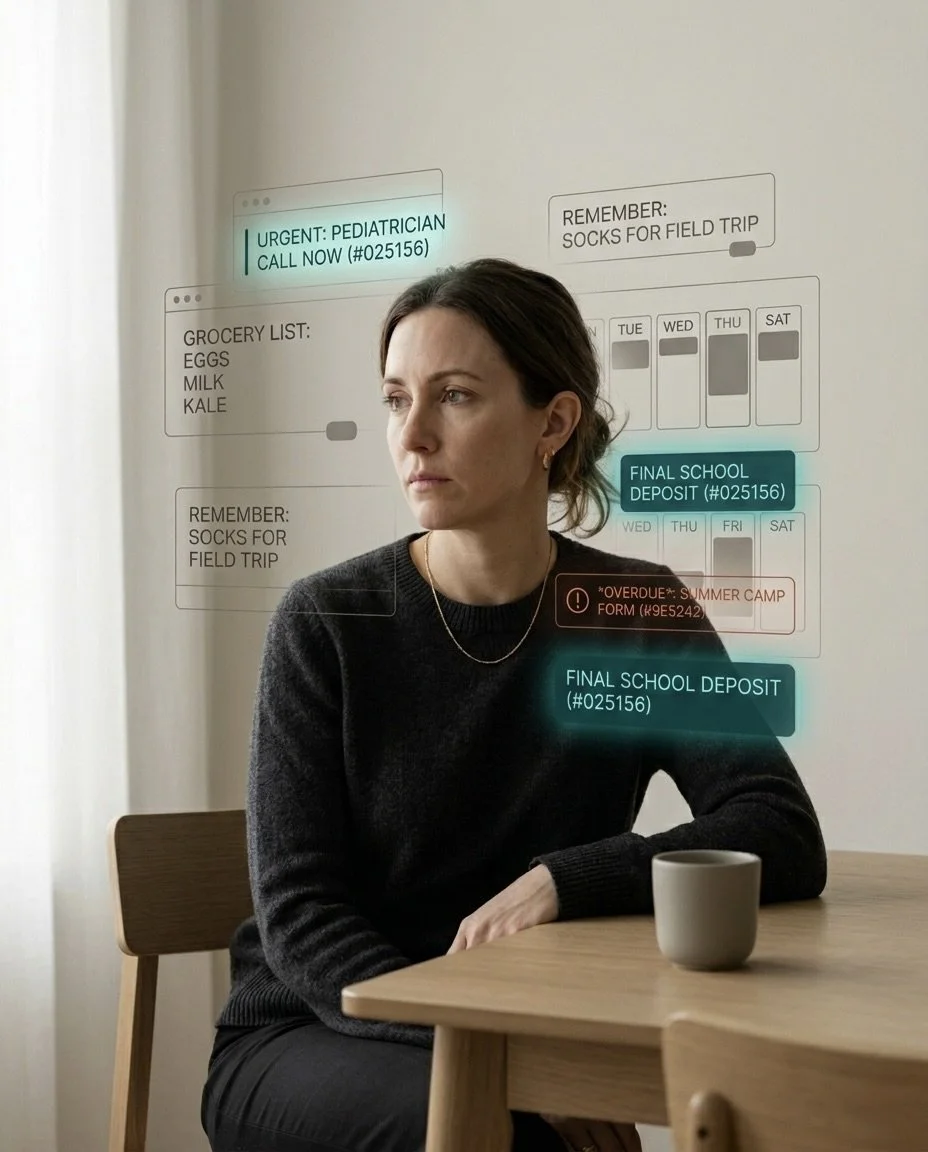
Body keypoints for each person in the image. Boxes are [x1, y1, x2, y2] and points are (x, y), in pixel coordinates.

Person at [200, 258, 827, 1152]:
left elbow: (779, 827)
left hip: (518, 1036)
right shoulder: (328, 621)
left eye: (453, 396)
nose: (412, 435)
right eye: (394, 399)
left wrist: (568, 879)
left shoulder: (631, 616)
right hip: (310, 1031)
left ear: (553, 422)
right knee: (507, 1129)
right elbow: (302, 920)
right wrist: (507, 1057)